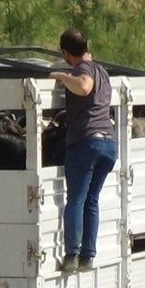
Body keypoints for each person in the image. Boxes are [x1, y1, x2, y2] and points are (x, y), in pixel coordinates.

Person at [50, 29, 118, 273]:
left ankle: (71, 256)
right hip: (109, 143)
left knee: (76, 199)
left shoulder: (83, 70)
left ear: (67, 53)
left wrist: (61, 75)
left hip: (86, 142)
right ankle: (88, 257)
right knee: (92, 199)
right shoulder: (104, 72)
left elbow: (84, 87)